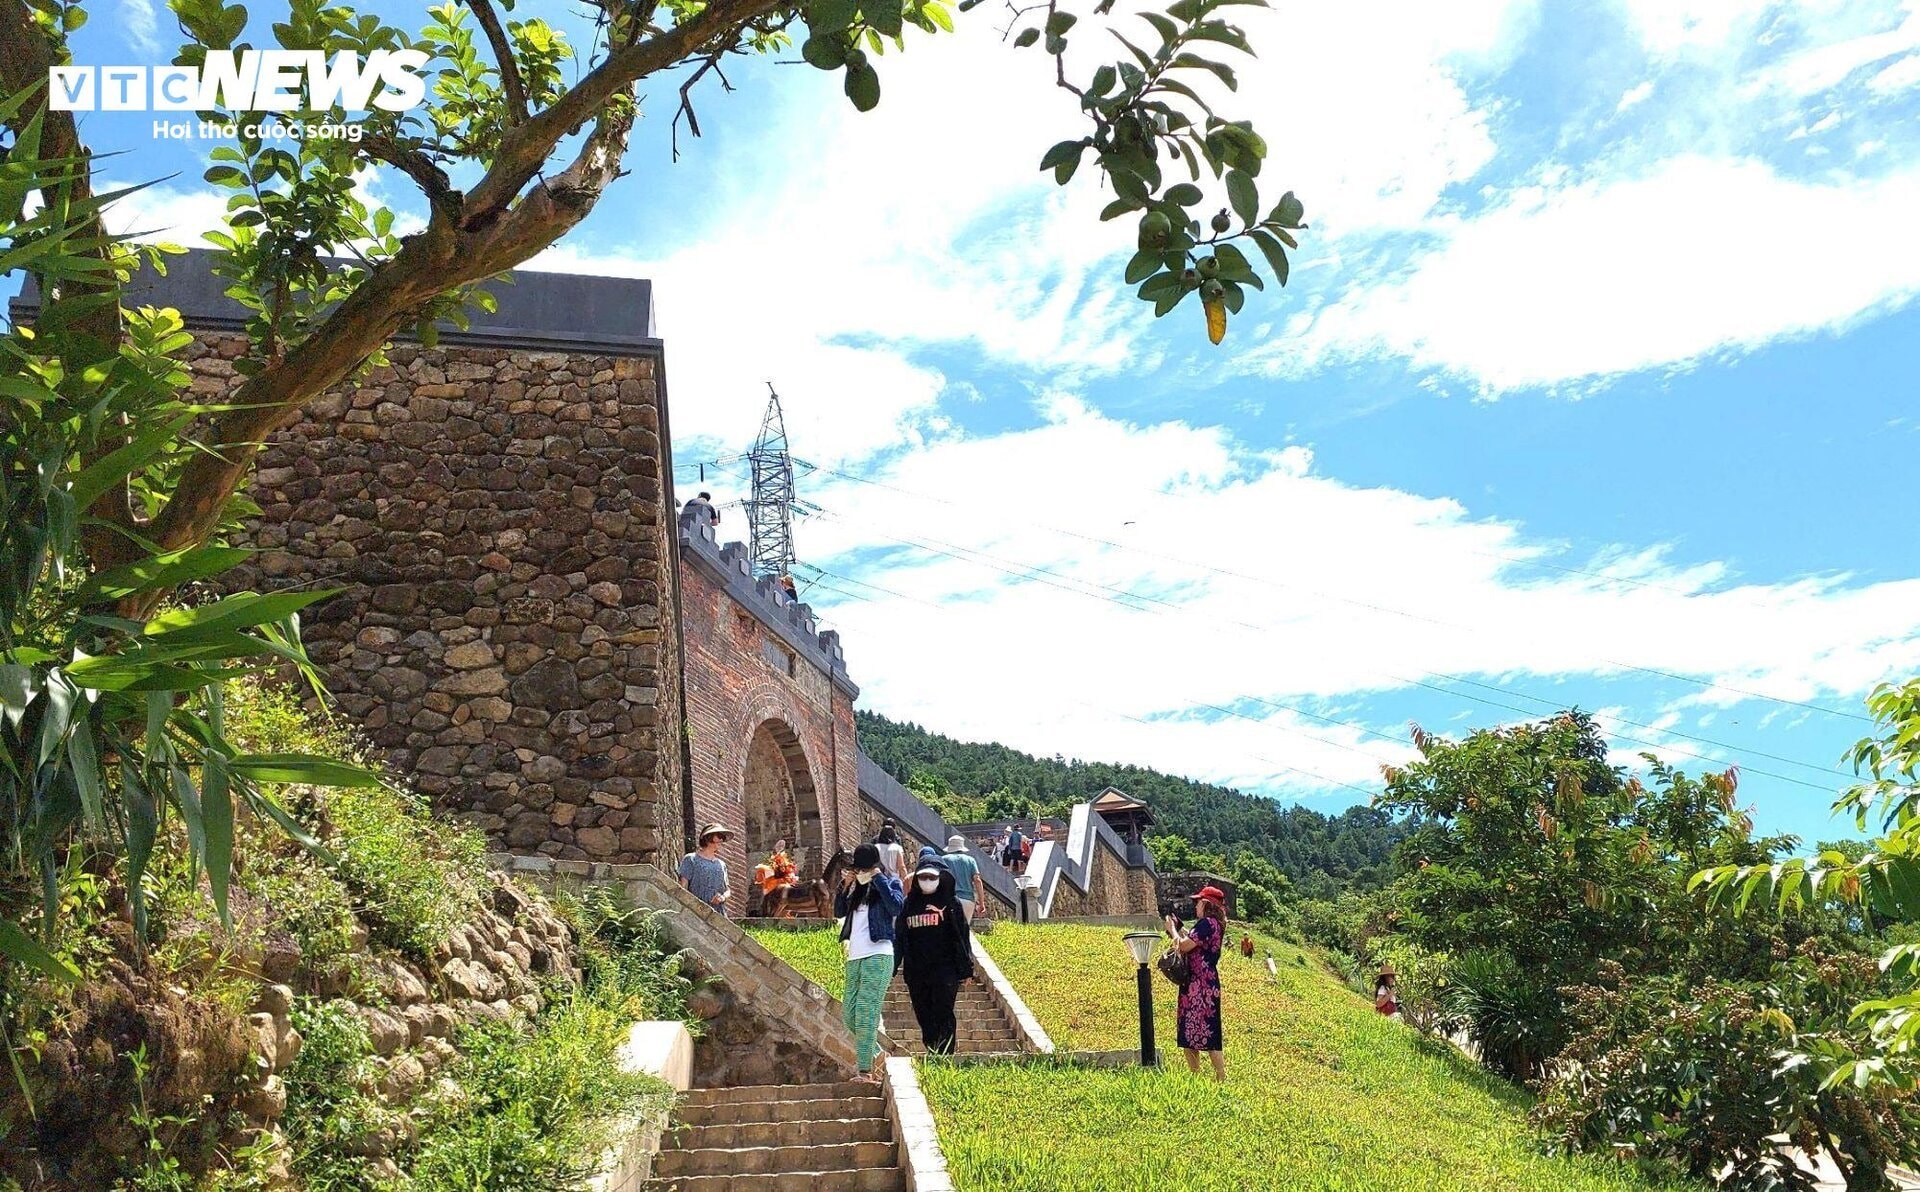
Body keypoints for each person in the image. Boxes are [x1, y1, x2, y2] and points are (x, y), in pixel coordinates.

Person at [834, 843, 903, 1083]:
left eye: (863, 868)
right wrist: (846, 885)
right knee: (849, 1015)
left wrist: (878, 878)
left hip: (879, 954)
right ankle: (876, 1055)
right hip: (855, 956)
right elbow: (838, 911)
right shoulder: (856, 891)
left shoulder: (889, 883)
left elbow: (896, 906)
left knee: (865, 1012)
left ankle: (865, 1071)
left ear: (873, 867)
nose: (860, 871)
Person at [895, 855, 974, 1055]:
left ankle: (946, 1053)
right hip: (917, 971)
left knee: (943, 1011)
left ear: (940, 877)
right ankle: (932, 1050)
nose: (927, 881)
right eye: (923, 877)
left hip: (945, 970)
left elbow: (962, 935)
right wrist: (893, 966)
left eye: (932, 876)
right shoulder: (909, 905)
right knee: (924, 1013)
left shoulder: (951, 903)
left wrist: (966, 969)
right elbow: (900, 937)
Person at [1166, 885, 1227, 1081]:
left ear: (1206, 904)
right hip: (1207, 983)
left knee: (1189, 1032)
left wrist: (1173, 931)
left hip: (1197, 985)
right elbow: (1194, 940)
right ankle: (1220, 1076)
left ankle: (1196, 1076)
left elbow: (1184, 946)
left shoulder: (1206, 923)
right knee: (1210, 1033)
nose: (1195, 906)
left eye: (1198, 902)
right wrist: (1181, 927)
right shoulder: (1214, 924)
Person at [678, 822, 735, 916]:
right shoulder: (691, 859)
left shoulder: (721, 864)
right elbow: (683, 888)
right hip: (696, 913)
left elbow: (727, 890)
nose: (722, 839)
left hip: (718, 914)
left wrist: (722, 898)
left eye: (723, 837)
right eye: (719, 836)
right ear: (708, 837)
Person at [943, 834, 981, 923]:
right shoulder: (970, 860)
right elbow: (977, 880)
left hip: (948, 899)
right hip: (968, 899)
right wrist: (981, 902)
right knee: (964, 929)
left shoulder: (943, 859)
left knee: (949, 929)